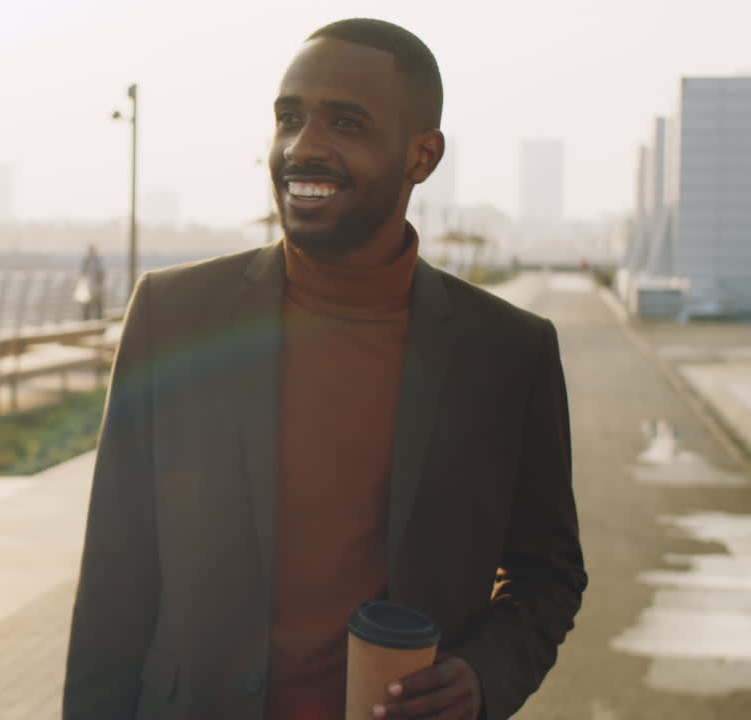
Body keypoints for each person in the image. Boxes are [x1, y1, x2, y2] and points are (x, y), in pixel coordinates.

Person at [64, 18, 586, 720]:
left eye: (346, 123)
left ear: (421, 156)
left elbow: (548, 575)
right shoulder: (174, 316)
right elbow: (112, 584)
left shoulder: (509, 352)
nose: (303, 147)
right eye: (289, 118)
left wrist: (484, 677)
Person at [77, 244, 106, 321]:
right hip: (88, 288)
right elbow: (82, 273)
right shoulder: (86, 262)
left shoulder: (97, 262)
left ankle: (98, 323)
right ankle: (86, 323)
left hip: (96, 288)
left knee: (97, 308)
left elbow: (101, 274)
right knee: (87, 308)